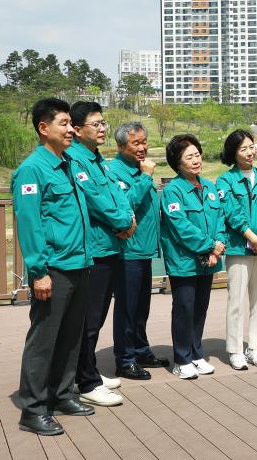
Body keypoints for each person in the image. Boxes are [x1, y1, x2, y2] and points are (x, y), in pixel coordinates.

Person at [14, 98, 95, 436]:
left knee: (70, 337)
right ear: (43, 128)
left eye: (70, 123)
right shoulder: (32, 170)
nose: (70, 129)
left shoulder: (68, 163)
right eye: (63, 123)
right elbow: (30, 223)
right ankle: (33, 409)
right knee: (44, 339)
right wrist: (38, 272)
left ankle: (62, 394)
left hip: (79, 263)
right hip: (54, 268)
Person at [66, 101, 134, 407]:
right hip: (93, 249)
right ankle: (86, 381)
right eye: (96, 124)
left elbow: (118, 194)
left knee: (97, 316)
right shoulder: (75, 160)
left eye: (103, 122)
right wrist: (122, 221)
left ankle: (89, 370)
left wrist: (128, 220)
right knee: (89, 319)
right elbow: (95, 200)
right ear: (78, 131)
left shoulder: (99, 161)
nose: (103, 127)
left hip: (110, 246)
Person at [160, 134, 226, 379]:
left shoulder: (209, 186)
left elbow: (220, 219)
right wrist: (210, 246)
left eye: (197, 154)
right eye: (189, 156)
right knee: (184, 308)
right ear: (177, 162)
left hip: (209, 260)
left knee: (200, 308)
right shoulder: (172, 191)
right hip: (184, 261)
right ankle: (181, 358)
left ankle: (197, 354)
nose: (196, 159)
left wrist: (218, 245)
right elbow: (181, 227)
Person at [108, 122, 169, 378]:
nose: (142, 147)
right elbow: (124, 205)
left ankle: (141, 350)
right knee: (127, 307)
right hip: (127, 250)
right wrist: (145, 177)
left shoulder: (138, 169)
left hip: (144, 249)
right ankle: (125, 360)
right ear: (121, 146)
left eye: (144, 142)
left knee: (142, 305)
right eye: (136, 143)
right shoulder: (113, 171)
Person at [216, 130, 257, 370]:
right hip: (238, 248)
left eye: (251, 146)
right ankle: (235, 350)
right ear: (233, 152)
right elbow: (232, 213)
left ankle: (254, 347)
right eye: (243, 148)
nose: (250, 152)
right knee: (236, 301)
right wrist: (252, 238)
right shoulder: (225, 180)